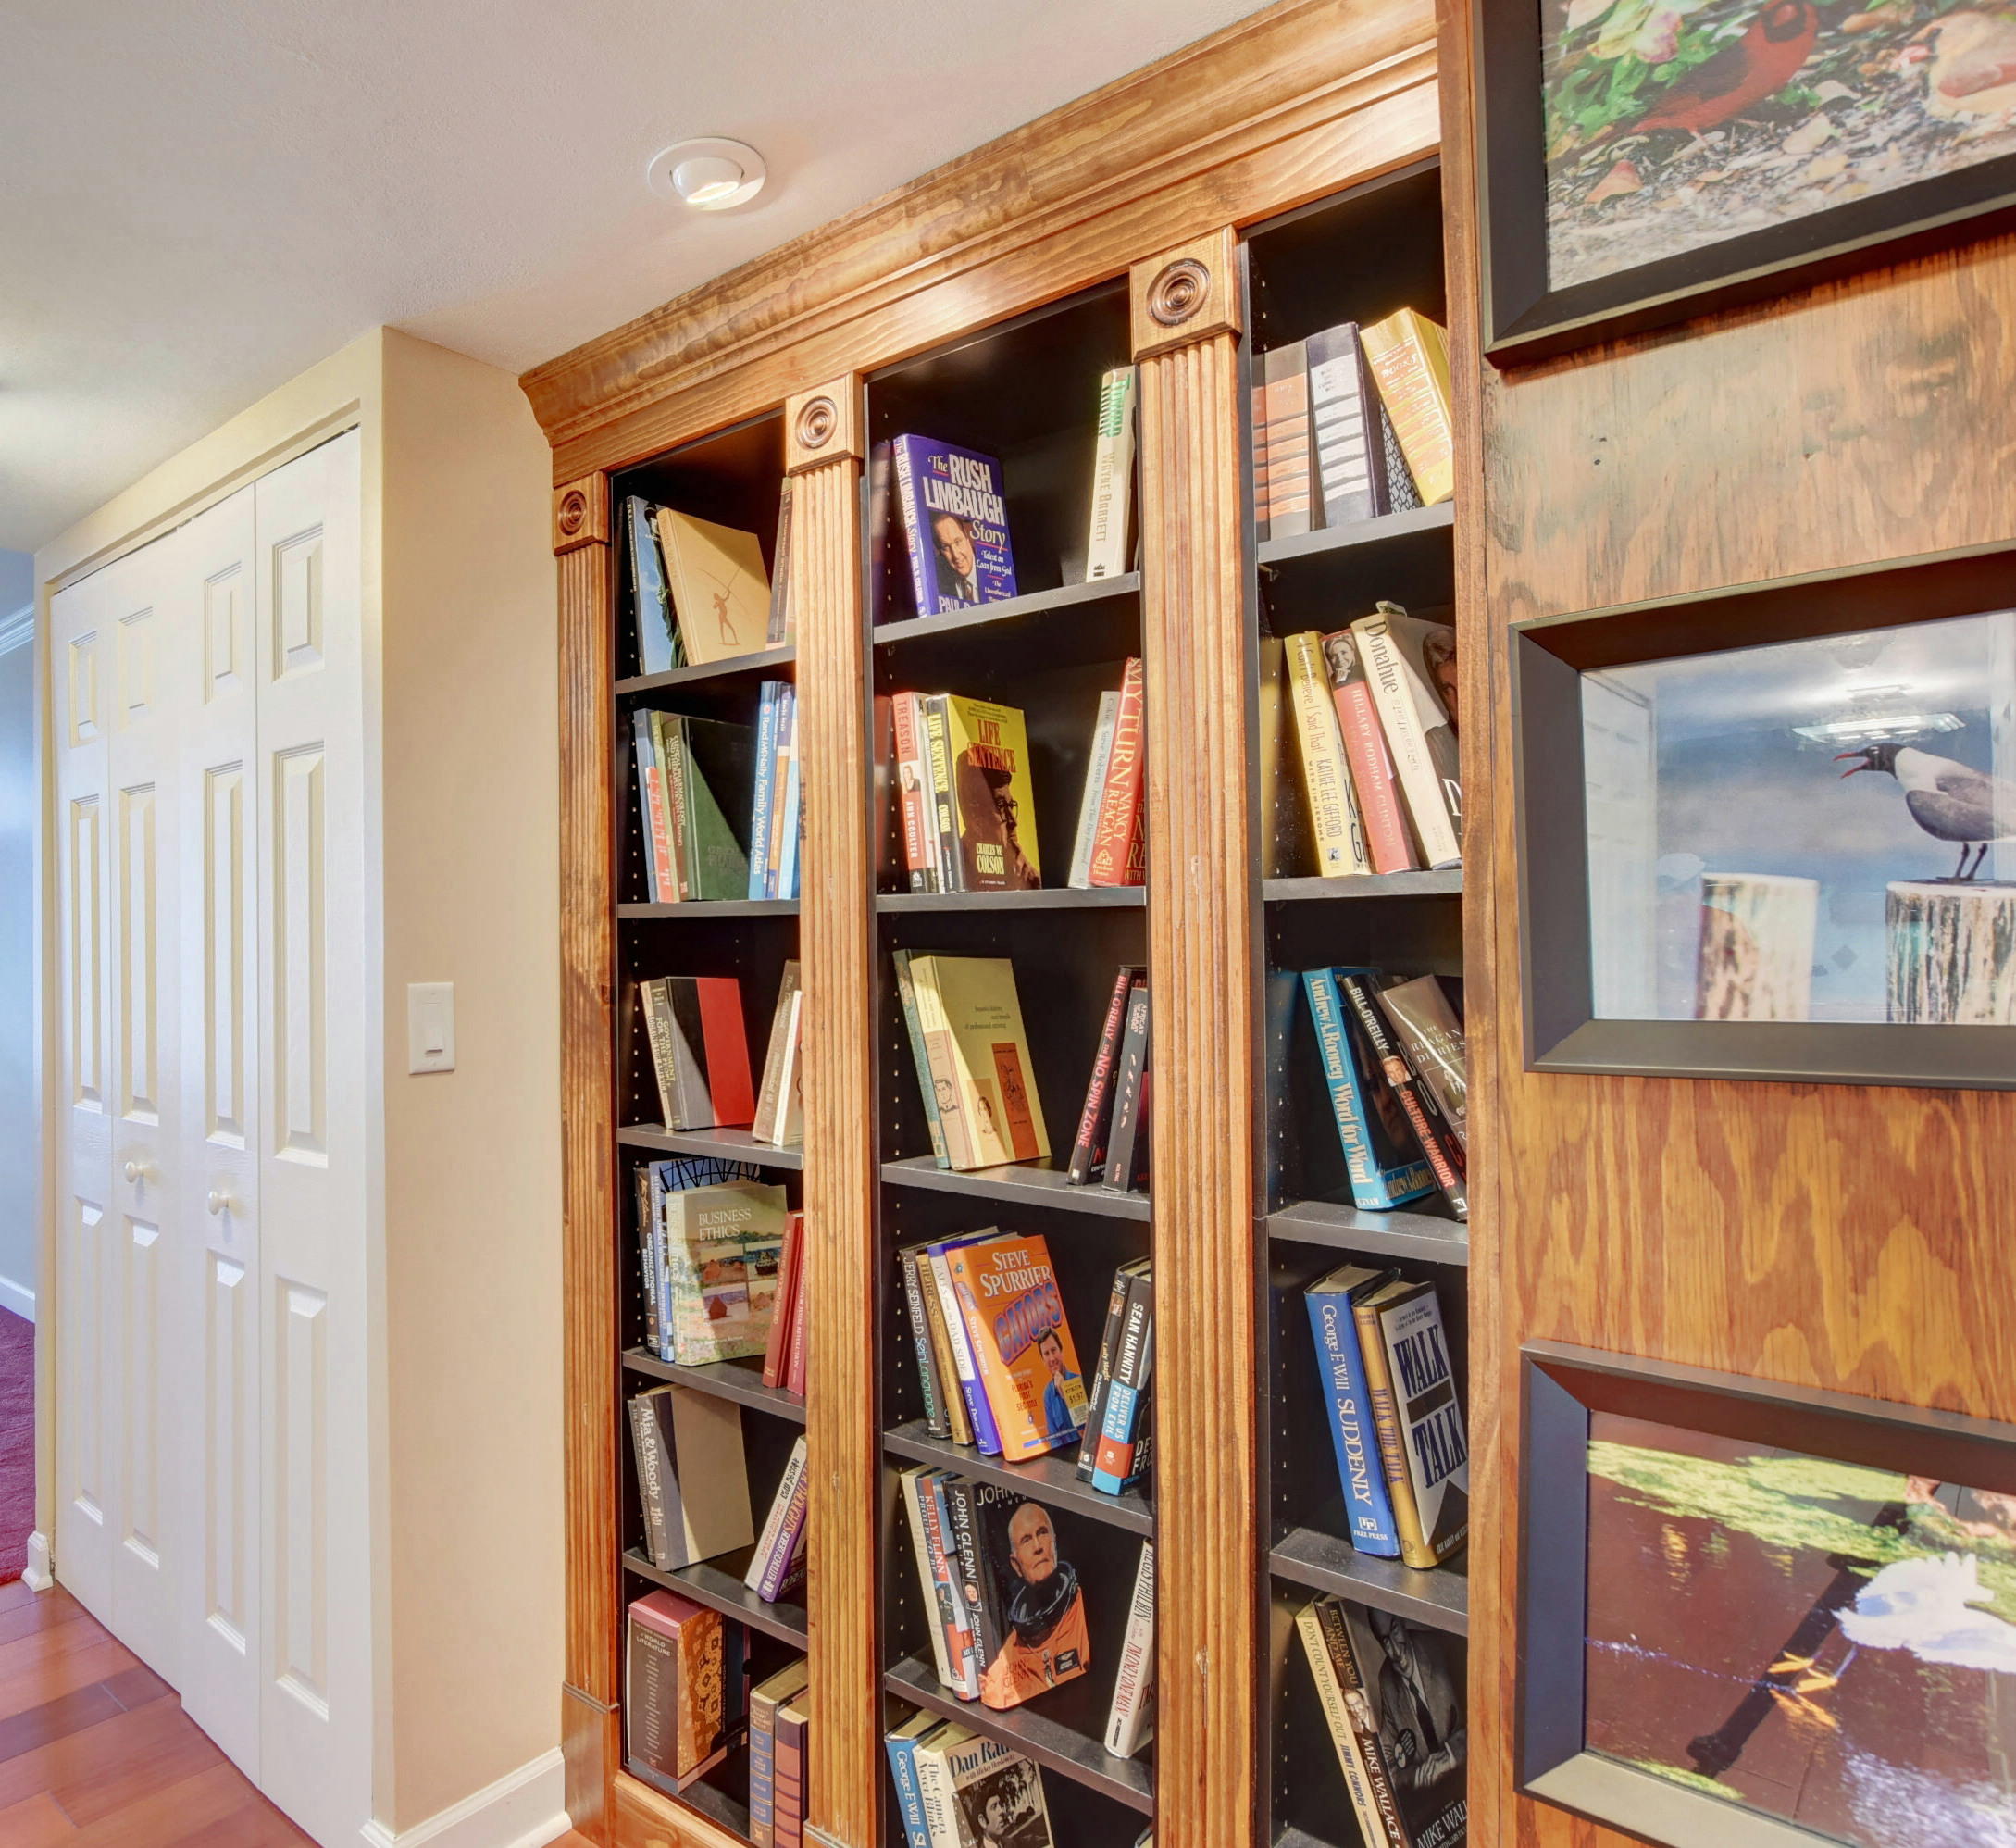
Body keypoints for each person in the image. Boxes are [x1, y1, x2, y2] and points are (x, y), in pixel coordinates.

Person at [979, 1501, 1089, 1707]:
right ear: (1015, 1564)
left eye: (1042, 1533)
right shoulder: (1011, 1651)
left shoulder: (1085, 1607)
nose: (1038, 1547)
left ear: (1054, 1543)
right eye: (1026, 1540)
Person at [1369, 1605, 1466, 1798]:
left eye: (1395, 1630)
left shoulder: (1442, 1645)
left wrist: (1451, 1755)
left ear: (1402, 1620)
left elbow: (1489, 1717)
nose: (1396, 1651)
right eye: (1385, 1641)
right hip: (1432, 1798)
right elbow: (1386, 1764)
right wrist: (1416, 1775)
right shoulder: (1386, 1679)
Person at [1035, 1323, 1083, 1442]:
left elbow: (1087, 1433)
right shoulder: (1047, 1394)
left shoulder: (1079, 1381)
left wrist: (1066, 1394)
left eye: (1053, 1350)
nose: (1051, 1358)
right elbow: (1053, 1439)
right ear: (1043, 1360)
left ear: (1061, 1350)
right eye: (1046, 1354)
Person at [932, 510, 981, 607]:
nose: (956, 555)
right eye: (946, 547)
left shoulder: (991, 568)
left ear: (967, 536)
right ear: (941, 551)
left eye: (958, 541)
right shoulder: (937, 578)